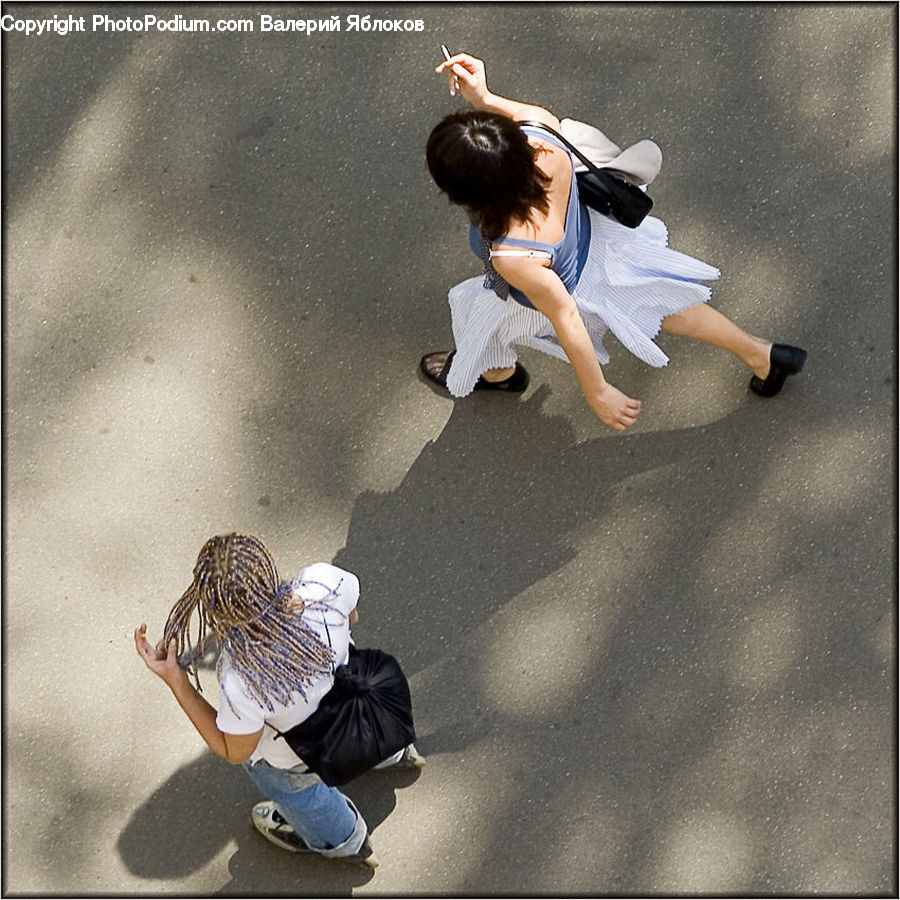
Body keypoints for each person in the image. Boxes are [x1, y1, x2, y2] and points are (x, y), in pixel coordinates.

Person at [420, 52, 807, 431]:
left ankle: (499, 372)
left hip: (567, 289)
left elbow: (566, 315)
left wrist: (597, 391)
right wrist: (484, 98)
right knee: (667, 305)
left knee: (480, 315)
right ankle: (763, 356)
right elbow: (512, 119)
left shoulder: (512, 254)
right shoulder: (538, 131)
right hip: (601, 247)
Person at [133, 533, 423, 868]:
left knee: (298, 791)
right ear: (267, 565)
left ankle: (345, 840)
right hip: (357, 703)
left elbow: (234, 750)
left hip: (299, 755)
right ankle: (394, 753)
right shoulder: (321, 583)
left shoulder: (241, 676)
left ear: (216, 611)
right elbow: (352, 616)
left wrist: (179, 683)